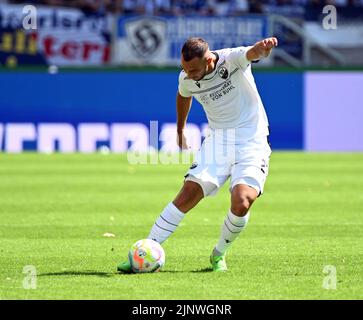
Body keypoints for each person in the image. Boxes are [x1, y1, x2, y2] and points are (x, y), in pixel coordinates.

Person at [118, 36, 278, 273]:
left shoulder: (230, 59)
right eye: (185, 69)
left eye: (193, 69)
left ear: (209, 59)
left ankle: (218, 254)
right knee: (188, 194)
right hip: (218, 142)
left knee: (242, 201)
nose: (189, 74)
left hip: (251, 140)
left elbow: (251, 53)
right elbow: (183, 95)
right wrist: (180, 129)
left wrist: (262, 50)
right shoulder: (186, 77)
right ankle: (143, 252)